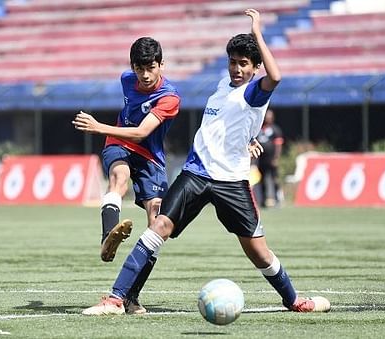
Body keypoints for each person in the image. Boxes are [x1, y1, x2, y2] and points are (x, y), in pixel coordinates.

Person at [81, 9, 330, 316]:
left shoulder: (255, 92)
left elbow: (275, 77)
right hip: (195, 174)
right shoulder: (223, 86)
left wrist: (258, 34)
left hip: (231, 183)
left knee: (258, 252)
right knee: (158, 226)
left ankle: (293, 300)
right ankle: (117, 298)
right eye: (233, 62)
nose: (236, 69)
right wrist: (249, 137)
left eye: (243, 64)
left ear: (255, 68)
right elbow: (229, 123)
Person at [72, 37, 181, 314]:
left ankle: (131, 296)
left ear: (161, 65)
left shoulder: (169, 98)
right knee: (119, 178)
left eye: (150, 68)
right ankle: (108, 236)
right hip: (118, 144)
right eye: (139, 68)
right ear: (132, 67)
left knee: (157, 221)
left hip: (150, 156)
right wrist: (106, 132)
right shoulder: (126, 79)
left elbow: (143, 133)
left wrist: (99, 127)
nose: (144, 75)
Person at [255, 108, 284, 207]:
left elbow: (278, 145)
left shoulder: (275, 129)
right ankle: (262, 201)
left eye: (270, 116)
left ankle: (277, 199)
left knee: (274, 179)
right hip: (261, 160)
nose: (268, 118)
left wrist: (276, 158)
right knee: (261, 180)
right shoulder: (258, 129)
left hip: (271, 159)